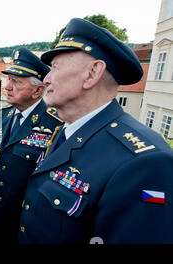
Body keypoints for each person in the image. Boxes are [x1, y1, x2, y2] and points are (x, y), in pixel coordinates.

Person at [17, 18, 173, 244]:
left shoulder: (145, 162)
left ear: (92, 73)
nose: (46, 78)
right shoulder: (65, 132)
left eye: (55, 68)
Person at [0, 47, 63, 244]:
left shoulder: (56, 125)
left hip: (27, 219)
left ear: (38, 90)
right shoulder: (2, 114)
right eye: (9, 80)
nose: (7, 87)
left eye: (16, 82)